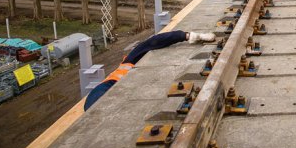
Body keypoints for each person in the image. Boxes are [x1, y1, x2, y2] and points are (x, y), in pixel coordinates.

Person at [84, 30, 215, 110]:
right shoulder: (132, 58)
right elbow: (155, 41)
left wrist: (188, 36)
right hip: (108, 87)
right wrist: (187, 35)